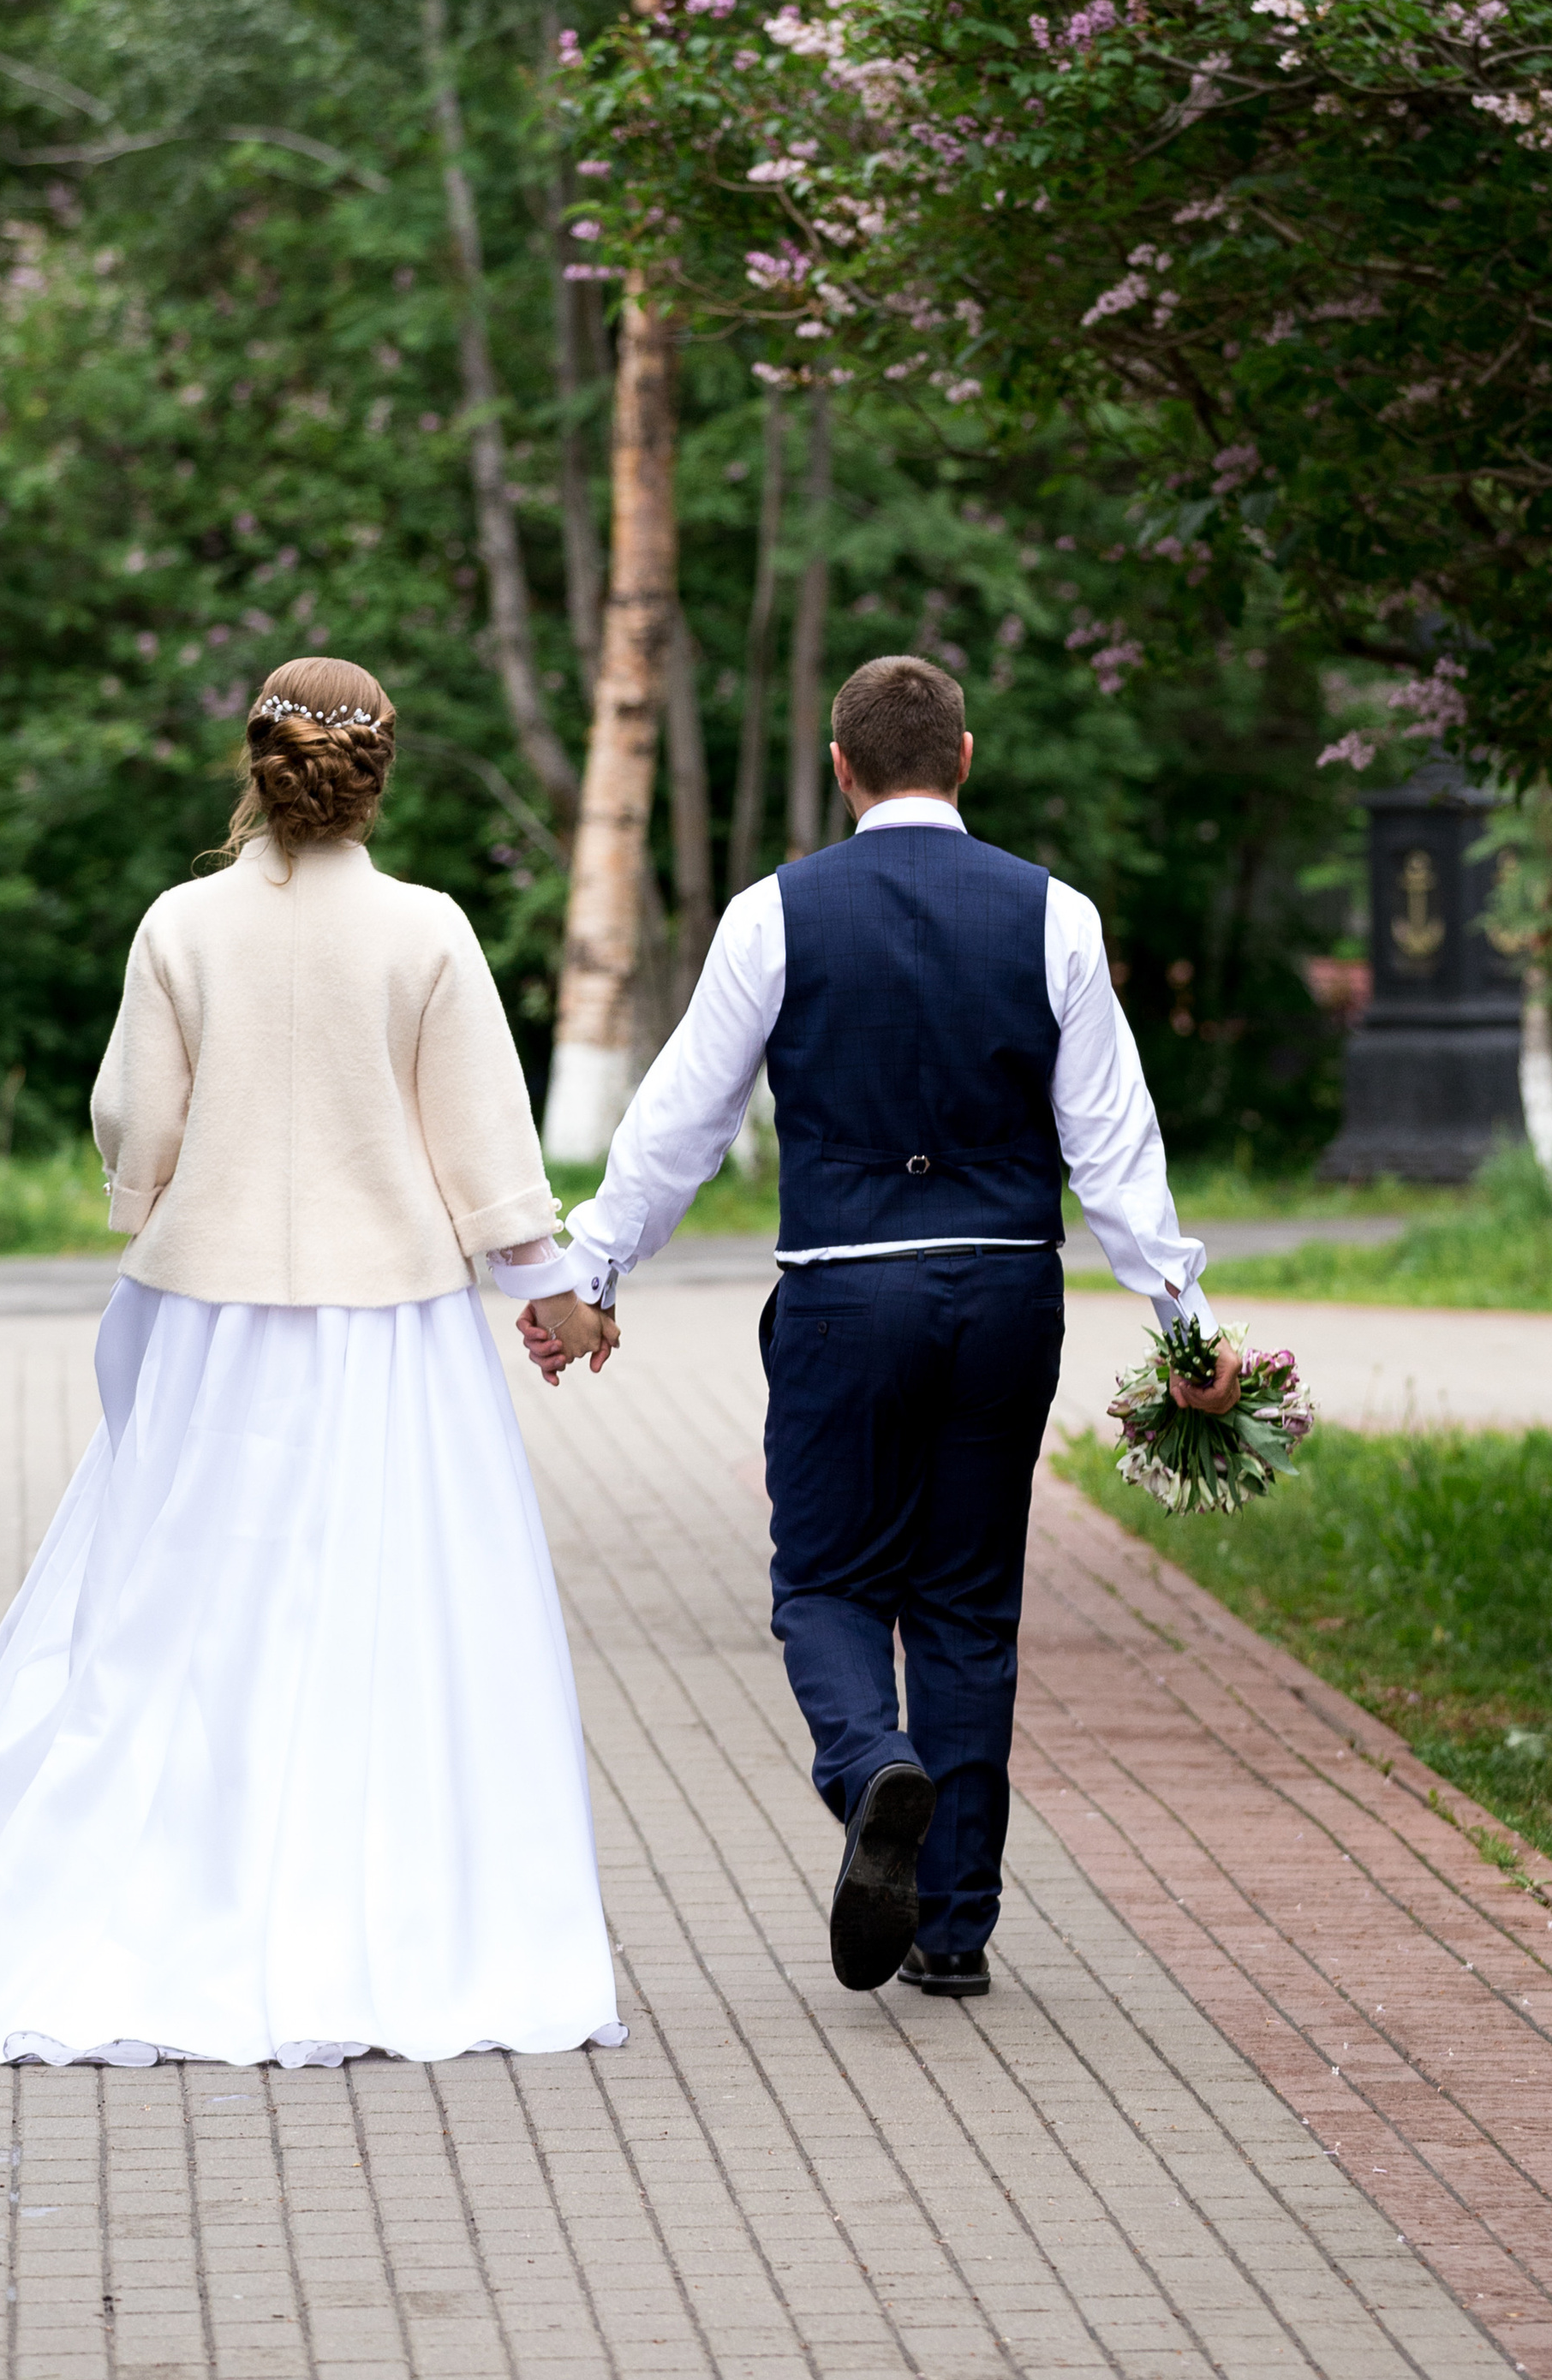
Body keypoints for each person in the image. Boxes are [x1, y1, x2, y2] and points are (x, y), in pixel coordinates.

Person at [0, 655, 622, 2072]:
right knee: (385, 1618)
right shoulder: (429, 932)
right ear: (379, 769)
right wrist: (560, 1300)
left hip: (211, 1322)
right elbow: (489, 1157)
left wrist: (148, 1202)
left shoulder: (180, 924)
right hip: (385, 1329)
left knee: (180, 1615)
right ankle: (377, 1926)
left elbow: (137, 1121)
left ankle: (156, 1906)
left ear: (254, 762)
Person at [522, 653, 1238, 2003]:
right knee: (968, 1606)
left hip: (847, 1291)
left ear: (842, 769)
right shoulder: (1057, 917)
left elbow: (684, 1119)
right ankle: (954, 1930)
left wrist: (595, 1267)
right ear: (963, 759)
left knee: (829, 1584)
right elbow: (1116, 1149)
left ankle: (871, 1768)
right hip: (1007, 1291)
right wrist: (1190, 1336)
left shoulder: (775, 914)